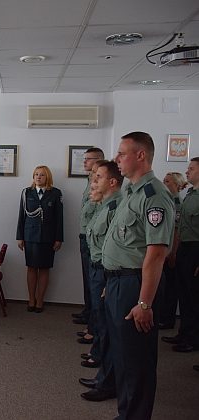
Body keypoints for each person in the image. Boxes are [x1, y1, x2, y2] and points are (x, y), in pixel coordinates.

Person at [101, 131, 174, 420]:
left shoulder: (154, 195)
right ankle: (126, 413)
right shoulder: (130, 191)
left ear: (140, 155)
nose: (117, 158)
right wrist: (111, 281)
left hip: (136, 285)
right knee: (122, 356)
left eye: (122, 153)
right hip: (120, 281)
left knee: (137, 360)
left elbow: (156, 254)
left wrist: (144, 303)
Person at [79, 161, 123, 402]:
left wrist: (107, 280)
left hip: (105, 272)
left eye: (98, 177)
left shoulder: (116, 207)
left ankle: (107, 382)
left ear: (112, 182)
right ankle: (103, 376)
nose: (93, 182)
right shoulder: (104, 205)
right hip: (98, 269)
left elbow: (112, 246)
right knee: (102, 325)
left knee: (107, 330)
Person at [162, 158, 199, 353]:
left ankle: (192, 339)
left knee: (193, 297)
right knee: (184, 294)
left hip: (196, 249)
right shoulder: (191, 195)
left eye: (191, 169)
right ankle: (184, 333)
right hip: (185, 246)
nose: (187, 171)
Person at [16, 165, 63, 313]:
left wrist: (58, 238)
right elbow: (21, 216)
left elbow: (59, 218)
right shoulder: (26, 193)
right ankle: (31, 299)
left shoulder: (55, 193)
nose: (38, 177)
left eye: (42, 175)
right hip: (30, 236)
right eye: (36, 174)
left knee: (44, 269)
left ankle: (40, 300)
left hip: (48, 238)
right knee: (31, 268)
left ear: (47, 177)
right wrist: (20, 237)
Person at [74, 147, 105, 326]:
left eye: (88, 159)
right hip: (85, 235)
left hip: (93, 238)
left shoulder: (101, 182)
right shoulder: (89, 181)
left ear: (98, 159)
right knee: (87, 278)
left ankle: (93, 319)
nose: (84, 162)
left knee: (94, 280)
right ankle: (88, 312)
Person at [158, 172, 187, 329]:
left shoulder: (176, 202)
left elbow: (176, 231)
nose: (164, 183)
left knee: (170, 288)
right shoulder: (167, 200)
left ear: (176, 184)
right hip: (166, 249)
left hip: (171, 251)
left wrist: (173, 253)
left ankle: (167, 319)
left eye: (167, 181)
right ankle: (164, 316)